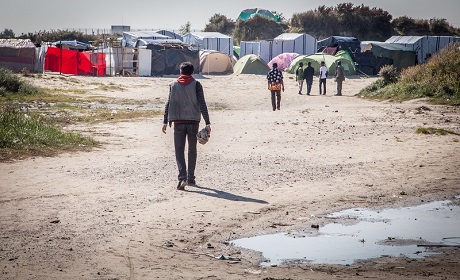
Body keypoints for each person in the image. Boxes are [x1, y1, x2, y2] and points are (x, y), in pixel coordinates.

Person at [162, 62, 211, 190]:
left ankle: (182, 178)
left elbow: (168, 103)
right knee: (192, 150)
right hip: (193, 121)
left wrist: (165, 121)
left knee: (179, 150)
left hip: (177, 122)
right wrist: (207, 122)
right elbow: (202, 104)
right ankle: (190, 179)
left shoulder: (173, 85)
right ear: (192, 72)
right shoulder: (196, 85)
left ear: (180, 72)